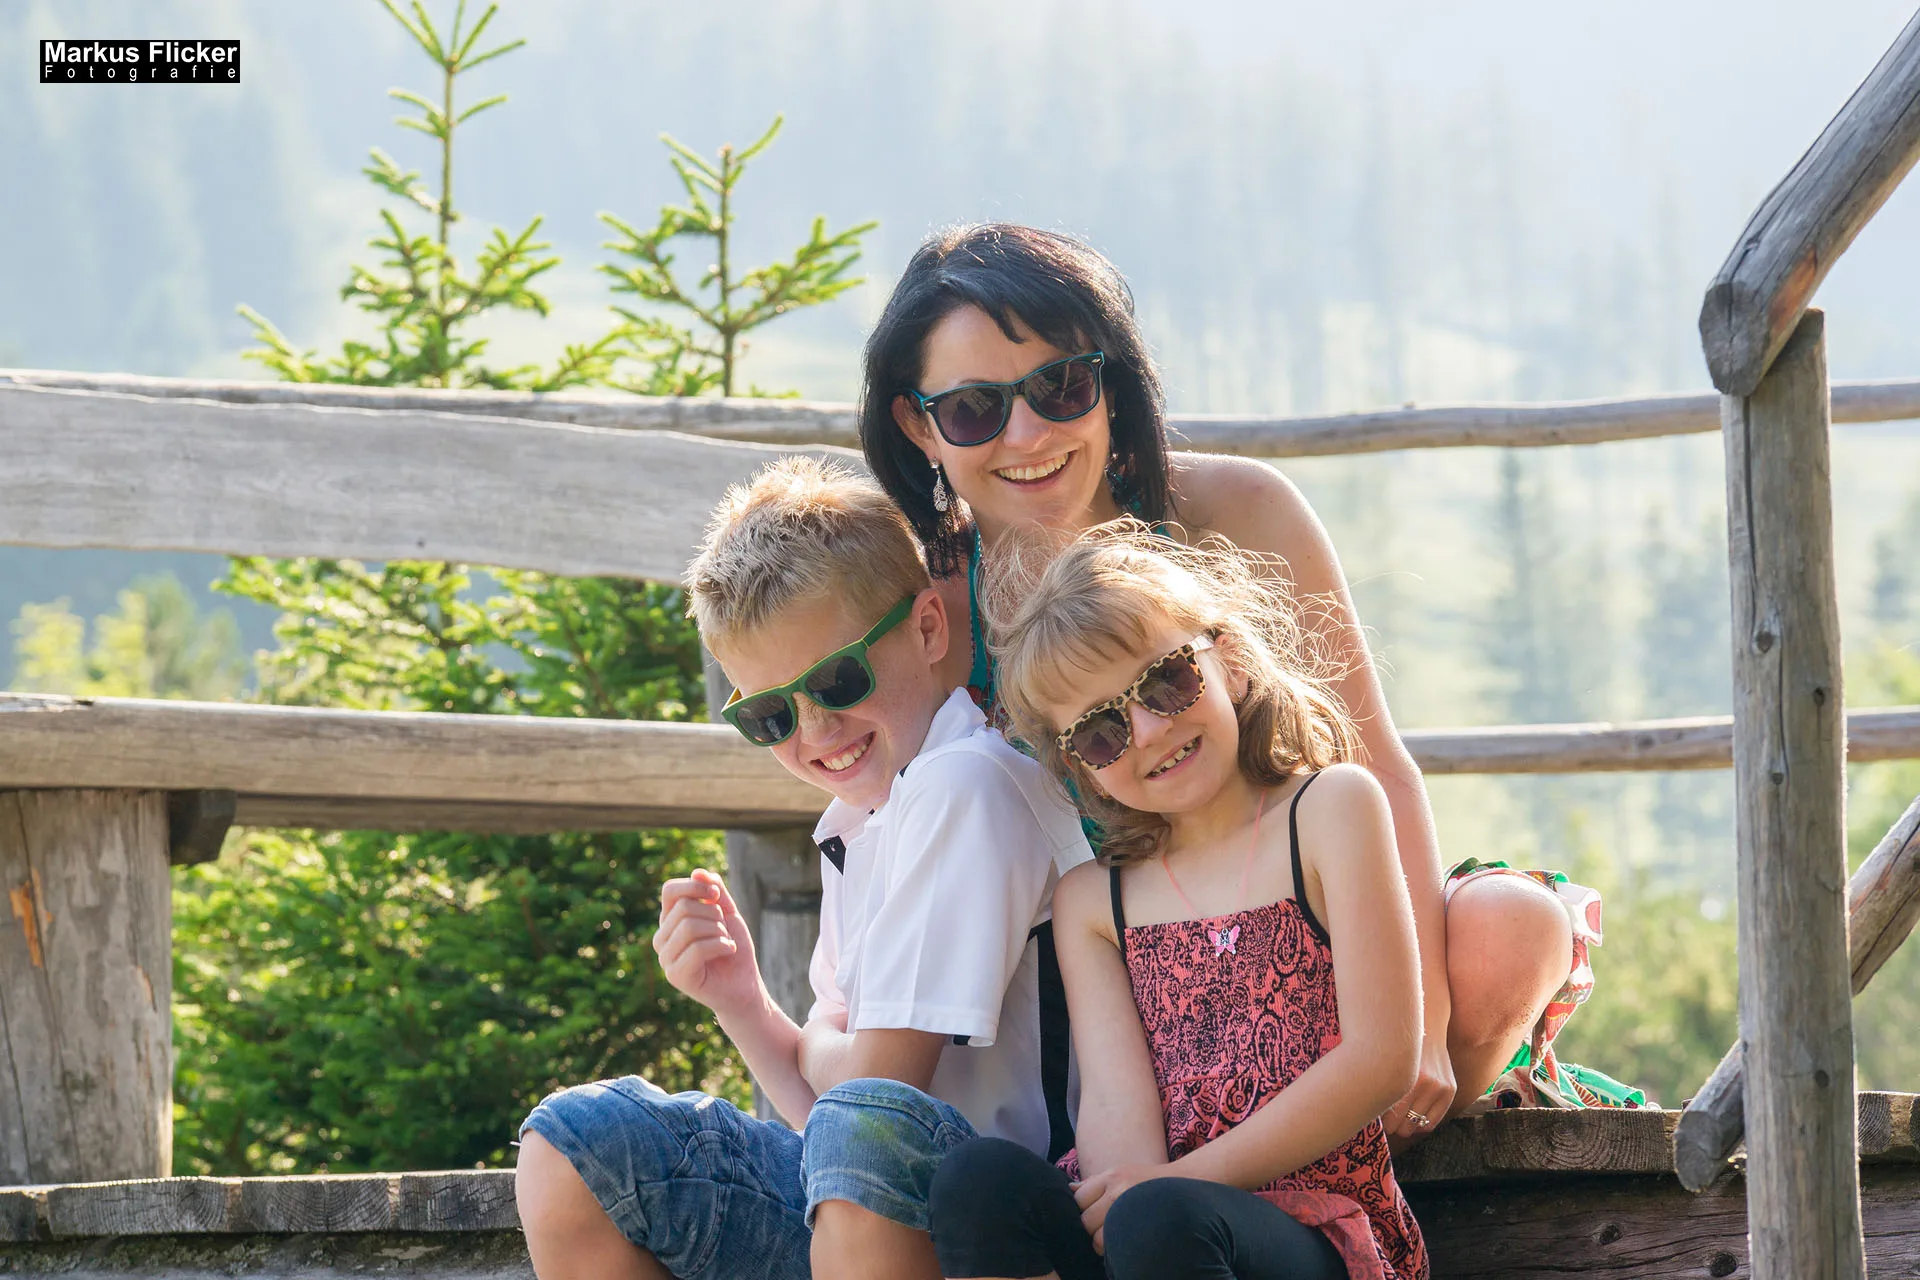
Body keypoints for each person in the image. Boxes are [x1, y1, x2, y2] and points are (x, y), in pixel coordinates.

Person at [859, 223, 1606, 1129]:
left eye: (1061, 386)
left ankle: (1415, 1164)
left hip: (1312, 919)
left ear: (1110, 380)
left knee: (1511, 932)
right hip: (1109, 985)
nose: (1028, 433)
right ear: (916, 424)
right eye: (976, 408)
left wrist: (1425, 1025)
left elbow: (1374, 762)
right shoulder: (932, 609)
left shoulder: (1231, 511)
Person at [514, 458, 1092, 1280]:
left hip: (1002, 1225)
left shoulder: (967, 784)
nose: (816, 730)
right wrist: (742, 1001)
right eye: (770, 713)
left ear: (929, 629)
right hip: (875, 1208)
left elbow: (872, 1098)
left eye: (837, 679)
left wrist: (831, 1043)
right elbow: (831, 1126)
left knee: (864, 1118)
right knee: (574, 1145)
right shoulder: (861, 821)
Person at [929, 521, 1428, 1280]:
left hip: (1316, 1231)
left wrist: (1173, 1186)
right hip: (1153, 1232)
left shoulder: (1329, 811)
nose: (1149, 731)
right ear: (1078, 767)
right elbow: (1115, 1111)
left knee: (1161, 1219)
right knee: (979, 1181)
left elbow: (1380, 1061)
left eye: (1166, 681)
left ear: (1226, 661)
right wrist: (1137, 1189)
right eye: (1101, 732)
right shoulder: (1096, 902)